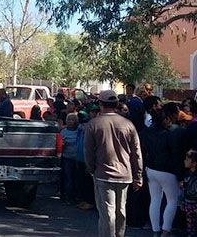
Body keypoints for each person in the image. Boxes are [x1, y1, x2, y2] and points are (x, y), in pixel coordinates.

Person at [84, 90, 143, 237]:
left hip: (103, 174)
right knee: (121, 211)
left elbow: (88, 152)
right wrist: (138, 176)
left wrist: (91, 169)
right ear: (116, 104)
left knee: (107, 214)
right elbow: (136, 153)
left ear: (101, 104)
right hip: (124, 174)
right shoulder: (128, 124)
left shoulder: (94, 124)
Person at [141, 109, 183, 237]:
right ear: (165, 120)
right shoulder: (170, 134)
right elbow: (175, 155)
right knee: (172, 200)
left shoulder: (146, 132)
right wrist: (180, 175)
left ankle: (156, 230)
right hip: (167, 170)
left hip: (151, 168)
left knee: (155, 199)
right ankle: (166, 230)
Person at [60, 112, 79, 203]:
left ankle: (76, 195)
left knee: (76, 177)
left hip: (78, 158)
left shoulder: (79, 131)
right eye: (69, 120)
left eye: (73, 120)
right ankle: (68, 196)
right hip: (67, 157)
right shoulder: (63, 132)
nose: (70, 122)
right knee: (68, 177)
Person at [181, 149, 197, 237]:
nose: (185, 161)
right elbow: (184, 189)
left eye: (187, 160)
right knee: (190, 223)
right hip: (188, 202)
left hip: (194, 202)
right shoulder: (187, 174)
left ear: (194, 163)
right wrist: (182, 202)